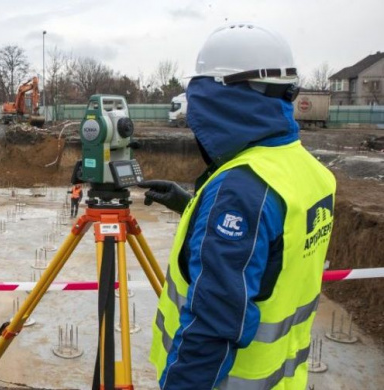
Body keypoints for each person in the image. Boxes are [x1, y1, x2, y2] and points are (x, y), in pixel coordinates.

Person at [141, 23, 336, 389]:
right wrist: (192, 207)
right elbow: (271, 253)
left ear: (219, 97)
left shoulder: (241, 190)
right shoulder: (310, 172)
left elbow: (213, 328)